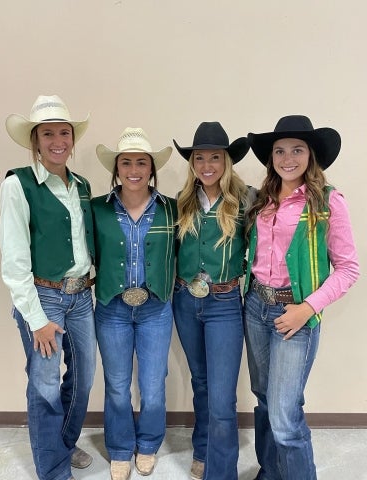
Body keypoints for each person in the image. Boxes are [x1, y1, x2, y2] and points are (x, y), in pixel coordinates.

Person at [244, 115, 359, 480]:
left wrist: (307, 308)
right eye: (279, 150)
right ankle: (271, 472)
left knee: (284, 415)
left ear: (311, 156)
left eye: (297, 149)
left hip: (295, 316)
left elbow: (348, 268)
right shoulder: (262, 200)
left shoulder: (327, 201)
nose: (287, 157)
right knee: (264, 401)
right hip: (256, 307)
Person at [0, 94, 96, 480]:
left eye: (64, 133)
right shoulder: (17, 184)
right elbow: (15, 260)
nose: (58, 141)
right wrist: (35, 317)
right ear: (35, 141)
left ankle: (63, 444)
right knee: (44, 386)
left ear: (72, 138)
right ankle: (53, 469)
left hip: (81, 296)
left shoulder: (82, 185)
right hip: (43, 297)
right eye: (48, 133)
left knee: (84, 377)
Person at [92, 128, 177, 480]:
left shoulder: (171, 209)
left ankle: (148, 444)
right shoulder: (96, 208)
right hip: (112, 308)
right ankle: (121, 449)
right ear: (116, 168)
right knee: (116, 384)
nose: (134, 169)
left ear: (152, 168)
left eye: (142, 161)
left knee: (154, 384)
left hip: (156, 308)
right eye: (126, 161)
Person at [172, 122, 250, 480]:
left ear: (226, 161)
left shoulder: (245, 199)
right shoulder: (182, 202)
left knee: (222, 397)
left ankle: (222, 473)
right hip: (186, 301)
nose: (206, 164)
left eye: (214, 157)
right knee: (200, 382)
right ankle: (202, 448)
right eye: (199, 158)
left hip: (224, 303)